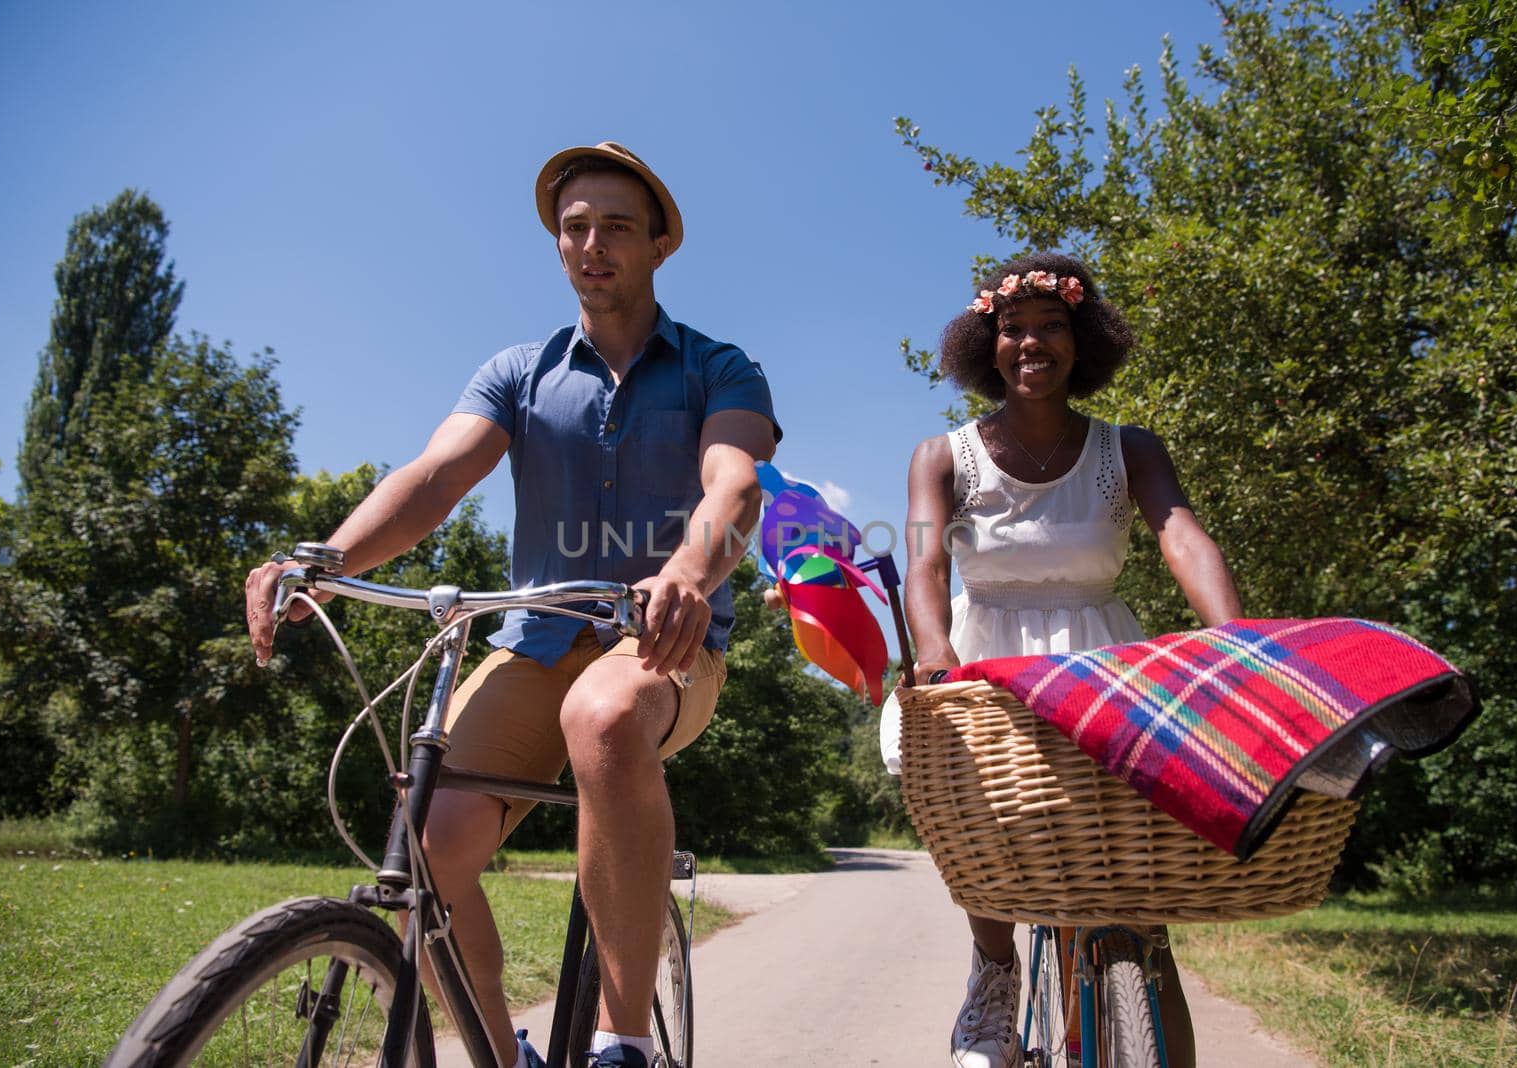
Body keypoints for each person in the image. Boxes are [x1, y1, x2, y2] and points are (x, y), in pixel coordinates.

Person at [244, 141, 780, 1068]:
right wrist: (325, 557)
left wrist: (690, 572)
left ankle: (625, 1043)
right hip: (536, 640)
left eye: (617, 226)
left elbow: (733, 485)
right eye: (575, 228)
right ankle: (502, 1052)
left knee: (604, 717)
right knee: (431, 840)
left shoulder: (719, 369)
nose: (593, 244)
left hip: (663, 643)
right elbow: (433, 476)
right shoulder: (519, 372)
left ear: (660, 245)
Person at [902, 252, 1241, 1068]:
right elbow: (923, 565)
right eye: (1012, 329)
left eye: (1052, 327)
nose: (1031, 343)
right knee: (989, 838)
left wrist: (1236, 638)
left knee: (1135, 908)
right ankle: (993, 971)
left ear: (1083, 341)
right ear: (986, 348)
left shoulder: (1129, 449)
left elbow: (1181, 536)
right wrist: (937, 655)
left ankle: (1139, 1001)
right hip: (987, 663)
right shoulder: (943, 456)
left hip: (1104, 667)